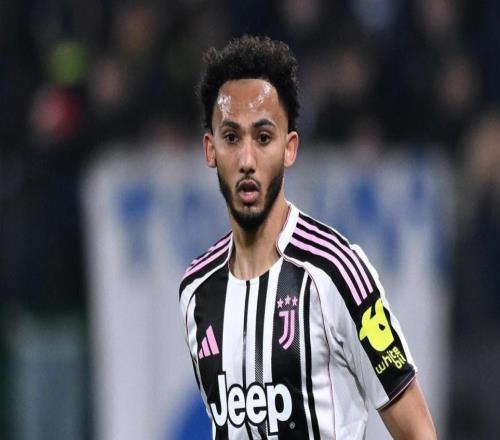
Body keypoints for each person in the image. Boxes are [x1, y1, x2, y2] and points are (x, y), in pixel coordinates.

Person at [179, 35, 436, 440]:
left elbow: (418, 431)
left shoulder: (337, 271)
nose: (247, 159)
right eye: (231, 138)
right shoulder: (196, 290)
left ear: (289, 148)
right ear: (210, 150)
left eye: (264, 138)